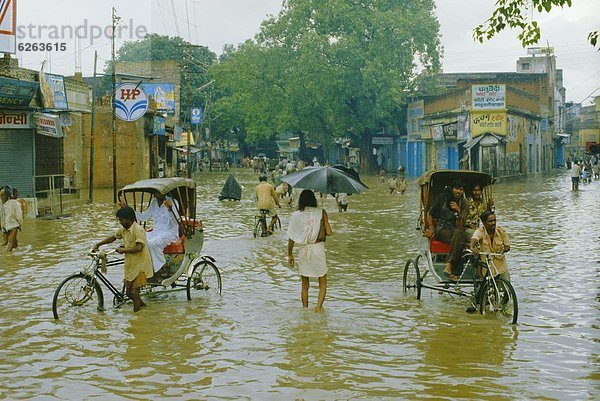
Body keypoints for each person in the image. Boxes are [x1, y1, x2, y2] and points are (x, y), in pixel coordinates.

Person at [93, 206, 154, 312]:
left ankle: (137, 319)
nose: (120, 222)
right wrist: (98, 244)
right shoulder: (124, 229)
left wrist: (124, 250)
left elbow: (139, 247)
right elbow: (113, 238)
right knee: (129, 293)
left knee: (134, 293)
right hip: (131, 264)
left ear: (129, 219)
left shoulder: (138, 230)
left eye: (122, 220)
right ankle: (144, 307)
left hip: (141, 265)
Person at [287, 189, 332, 312]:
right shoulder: (321, 213)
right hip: (318, 250)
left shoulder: (296, 215)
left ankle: (305, 311)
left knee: (305, 284)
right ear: (314, 200)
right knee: (322, 281)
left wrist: (290, 254)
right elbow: (329, 232)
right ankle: (318, 308)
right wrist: (322, 220)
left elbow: (291, 237)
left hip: (303, 250)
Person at [122, 190, 180, 278]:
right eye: (156, 192)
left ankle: (163, 267)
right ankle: (144, 266)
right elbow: (144, 217)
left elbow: (176, 221)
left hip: (170, 232)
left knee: (151, 243)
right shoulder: (154, 203)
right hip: (156, 232)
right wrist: (128, 209)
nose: (157, 194)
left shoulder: (173, 202)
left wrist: (170, 209)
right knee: (139, 240)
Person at [425, 181, 469, 281]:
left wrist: (458, 211)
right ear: (452, 188)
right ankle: (453, 270)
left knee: (459, 234)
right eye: (456, 188)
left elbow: (460, 225)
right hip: (442, 229)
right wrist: (431, 227)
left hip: (457, 231)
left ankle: (449, 265)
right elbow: (430, 214)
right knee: (460, 237)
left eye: (461, 189)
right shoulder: (442, 198)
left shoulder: (465, 203)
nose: (458, 191)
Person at [469, 210, 511, 282]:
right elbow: (474, 239)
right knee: (488, 290)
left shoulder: (501, 231)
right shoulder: (480, 231)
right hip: (487, 268)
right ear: (484, 223)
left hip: (501, 267)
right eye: (490, 221)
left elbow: (508, 246)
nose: (493, 223)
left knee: (507, 290)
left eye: (494, 220)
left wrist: (504, 249)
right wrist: (472, 248)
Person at [0, 186, 23, 252]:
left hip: (6, 227)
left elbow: (2, 217)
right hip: (13, 226)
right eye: (17, 193)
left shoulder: (4, 205)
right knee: (10, 245)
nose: (18, 194)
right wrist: (20, 224)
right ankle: (8, 259)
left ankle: (16, 254)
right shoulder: (16, 203)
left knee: (15, 244)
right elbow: (19, 216)